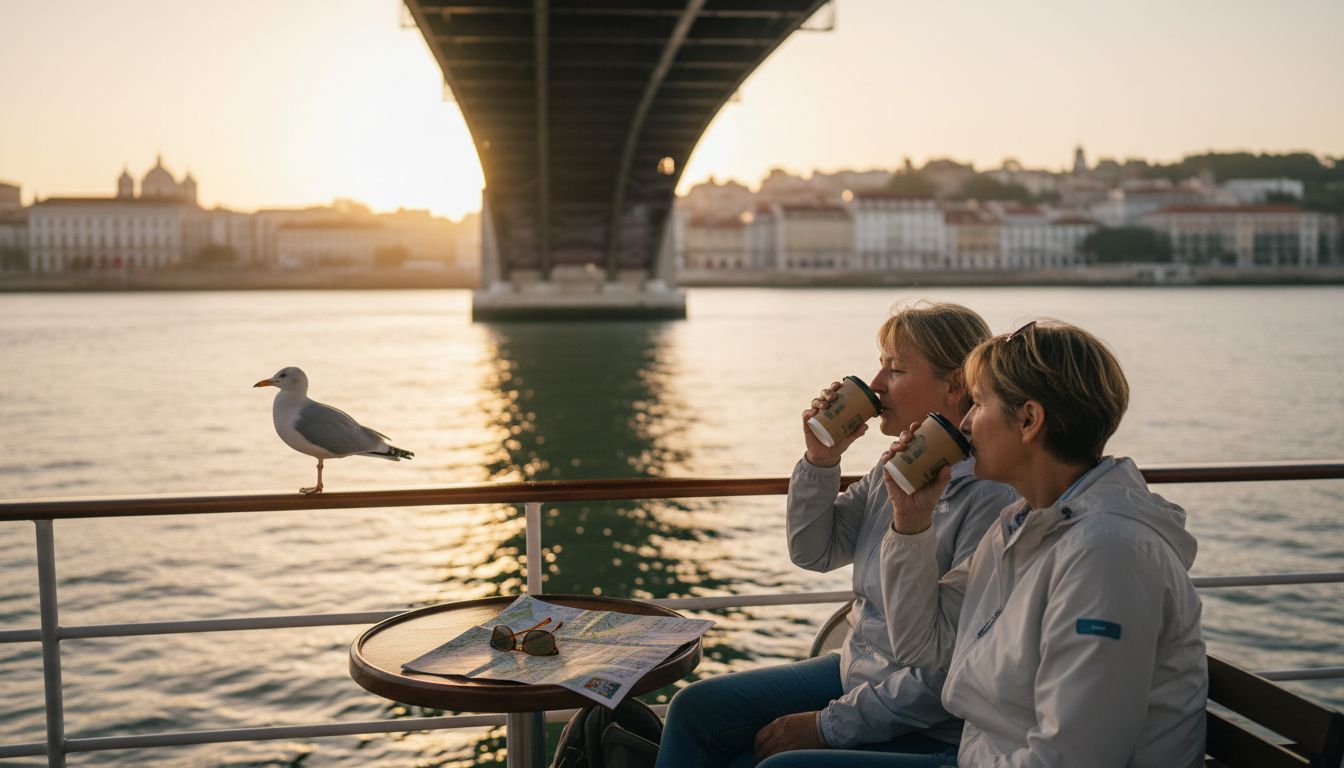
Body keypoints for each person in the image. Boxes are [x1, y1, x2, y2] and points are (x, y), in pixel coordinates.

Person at [758, 320, 1207, 767]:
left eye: (981, 404)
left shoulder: (1109, 555)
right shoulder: (1022, 524)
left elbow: (1072, 757)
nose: (967, 422)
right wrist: (910, 522)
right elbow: (922, 642)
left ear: (1029, 420)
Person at [656, 302, 1019, 768]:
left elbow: (947, 674)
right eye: (881, 365)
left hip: (936, 718)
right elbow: (814, 550)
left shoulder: (991, 498)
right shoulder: (896, 466)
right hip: (858, 669)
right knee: (693, 710)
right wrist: (821, 459)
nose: (877, 384)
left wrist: (826, 726)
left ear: (955, 386)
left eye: (897, 369)